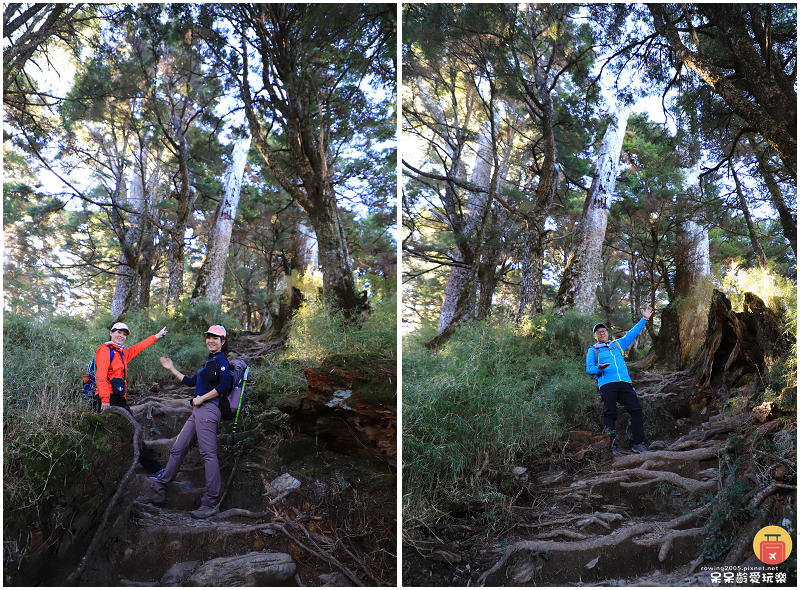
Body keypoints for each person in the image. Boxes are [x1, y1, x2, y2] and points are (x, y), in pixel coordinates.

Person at [137, 325, 233, 519]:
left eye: (215, 338)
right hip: (198, 411)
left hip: (207, 410)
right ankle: (159, 490)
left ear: (223, 341)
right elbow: (190, 382)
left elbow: (225, 385)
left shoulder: (221, 360)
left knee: (208, 454)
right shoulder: (210, 362)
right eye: (208, 337)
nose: (211, 340)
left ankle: (211, 502)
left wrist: (203, 398)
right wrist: (171, 368)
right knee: (178, 448)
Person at [94, 321, 168, 477]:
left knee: (132, 432)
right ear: (111, 333)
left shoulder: (122, 353)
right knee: (123, 433)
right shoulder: (105, 350)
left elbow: (139, 347)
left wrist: (157, 336)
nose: (121, 336)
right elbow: (100, 375)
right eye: (118, 332)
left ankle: (154, 469)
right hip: (105, 398)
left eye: (124, 334)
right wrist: (105, 399)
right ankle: (154, 469)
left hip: (118, 398)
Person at [586, 307, 654, 455]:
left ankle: (639, 444)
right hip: (607, 384)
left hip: (624, 383)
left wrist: (644, 319)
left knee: (636, 409)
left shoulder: (617, 345)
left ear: (607, 333)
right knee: (610, 413)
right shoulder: (593, 350)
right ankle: (611, 447)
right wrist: (599, 368)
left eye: (603, 331)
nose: (602, 333)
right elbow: (589, 368)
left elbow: (632, 333)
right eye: (598, 332)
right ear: (595, 336)